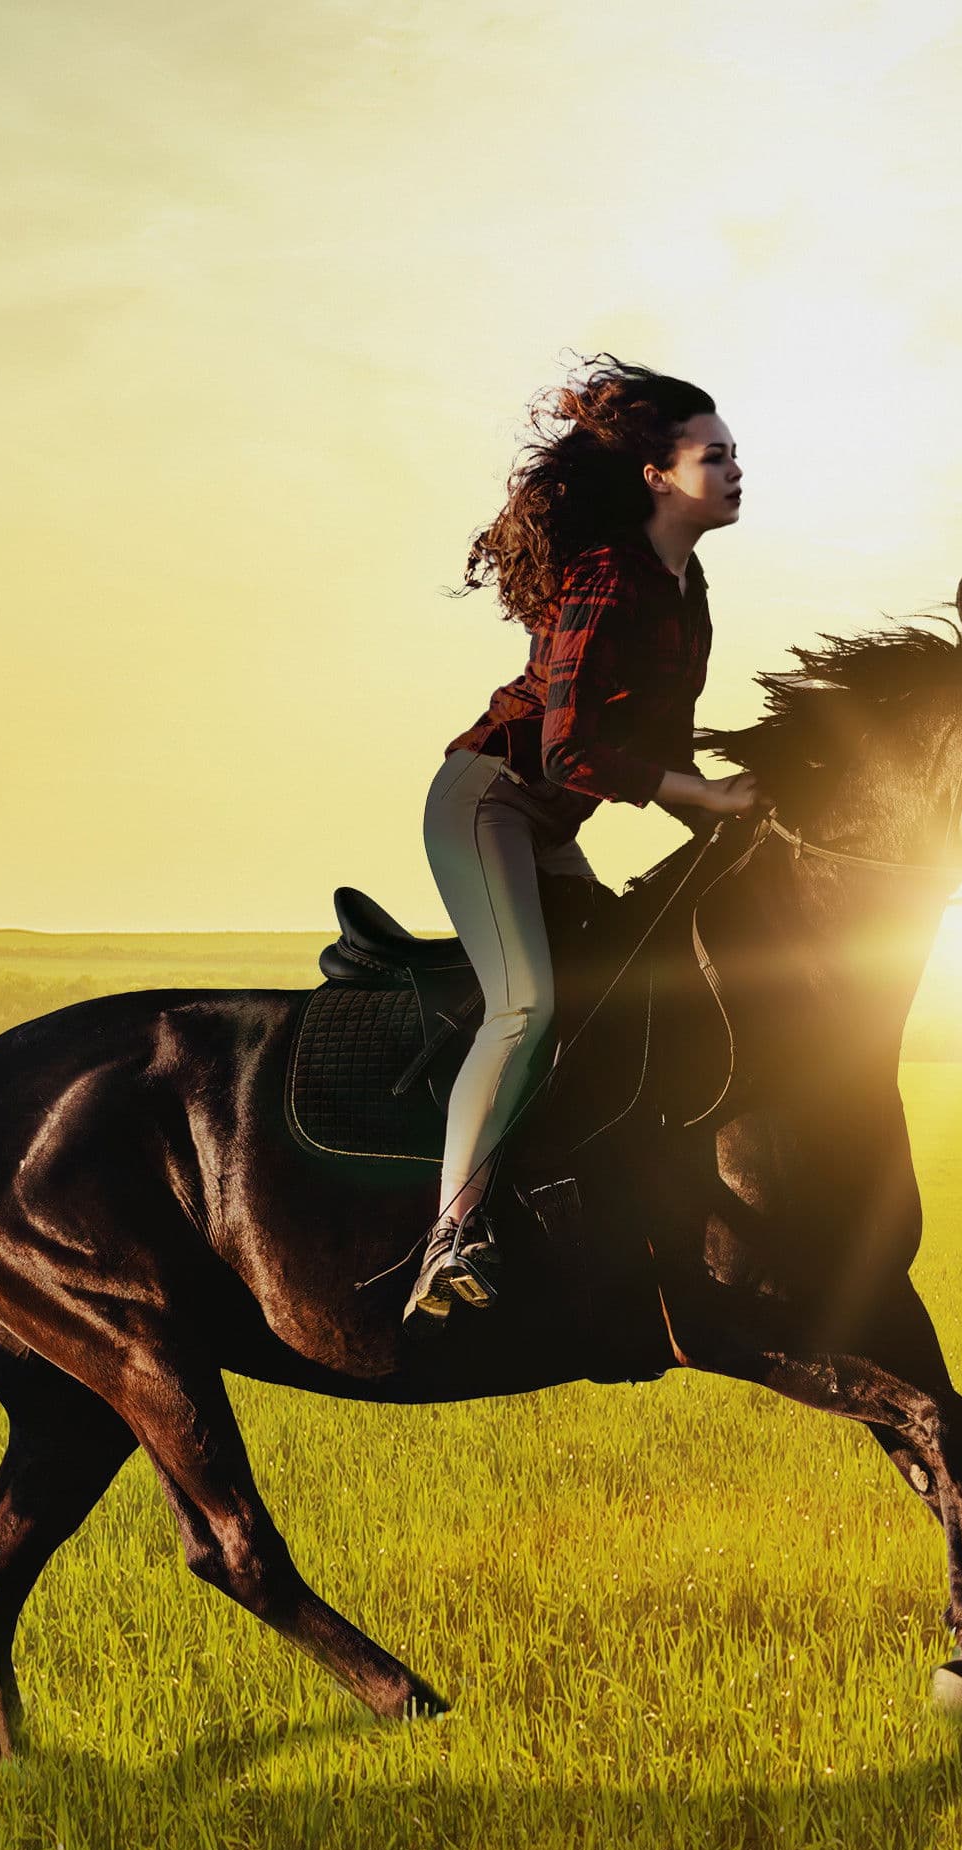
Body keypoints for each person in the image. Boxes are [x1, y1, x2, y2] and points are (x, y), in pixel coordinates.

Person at [411, 359, 762, 1325]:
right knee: (526, 1005)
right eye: (715, 457)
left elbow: (663, 750)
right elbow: (570, 751)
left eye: (739, 456)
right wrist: (704, 796)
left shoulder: (686, 589)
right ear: (657, 474)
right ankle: (448, 1242)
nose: (737, 472)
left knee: (615, 991)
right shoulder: (610, 577)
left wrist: (751, 819)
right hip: (490, 802)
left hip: (554, 823)